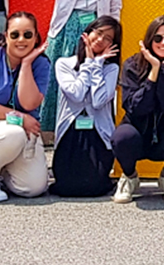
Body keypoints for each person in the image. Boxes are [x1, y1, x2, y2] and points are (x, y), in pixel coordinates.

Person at [35, 0, 122, 131]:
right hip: (67, 27)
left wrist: (112, 36)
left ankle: (90, 126)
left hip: (97, 29)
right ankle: (55, 128)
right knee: (62, 78)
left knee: (94, 74)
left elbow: (115, 4)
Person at [0, 11, 51, 203]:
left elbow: (29, 103)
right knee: (13, 133)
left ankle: (3, 167)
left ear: (36, 37)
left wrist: (27, 64)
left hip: (25, 131)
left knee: (32, 188)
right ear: (6, 36)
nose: (21, 40)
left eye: (28, 35)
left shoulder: (41, 63)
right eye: (15, 35)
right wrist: (20, 118)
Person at [113, 15, 164, 204]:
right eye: (158, 38)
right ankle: (129, 176)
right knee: (122, 137)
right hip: (136, 132)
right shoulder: (132, 65)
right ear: (150, 40)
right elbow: (136, 107)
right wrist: (153, 72)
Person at [51, 16, 121, 198]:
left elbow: (98, 101)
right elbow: (77, 93)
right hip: (70, 132)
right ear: (87, 34)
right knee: (68, 186)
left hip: (98, 133)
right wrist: (88, 65)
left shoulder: (111, 69)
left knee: (94, 185)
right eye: (98, 33)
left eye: (108, 38)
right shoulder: (64, 64)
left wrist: (96, 65)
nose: (100, 40)